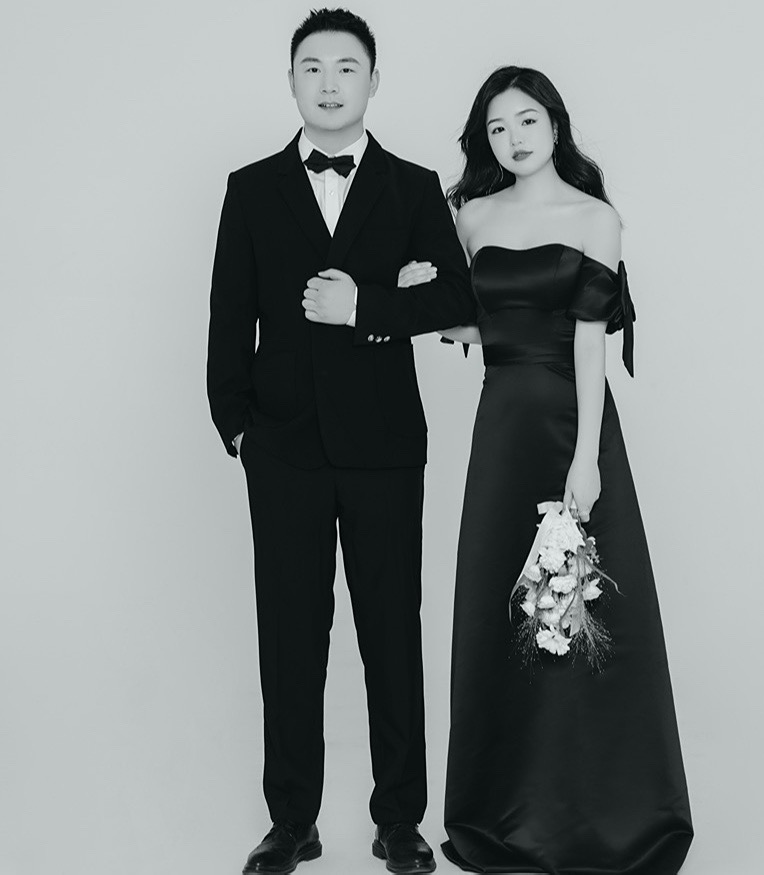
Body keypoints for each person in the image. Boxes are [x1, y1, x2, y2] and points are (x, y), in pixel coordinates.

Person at [405, 65, 694, 875]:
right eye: (497, 128)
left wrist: (587, 459)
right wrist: (420, 299)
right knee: (506, 617)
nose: (513, 138)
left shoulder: (595, 218)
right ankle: (506, 809)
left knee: (582, 622)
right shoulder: (472, 216)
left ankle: (601, 815)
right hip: (502, 431)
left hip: (572, 429)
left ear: (555, 124)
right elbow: (484, 327)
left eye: (526, 120)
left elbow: (589, 343)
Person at [207, 9, 474, 874]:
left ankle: (400, 821)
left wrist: (369, 306)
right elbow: (228, 314)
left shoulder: (413, 186)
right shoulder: (251, 188)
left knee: (392, 634)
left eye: (347, 67)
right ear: (291, 81)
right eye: (313, 67)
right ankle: (292, 822)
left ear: (373, 81)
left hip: (385, 447)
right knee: (290, 637)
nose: (329, 82)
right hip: (282, 449)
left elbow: (457, 299)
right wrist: (237, 424)